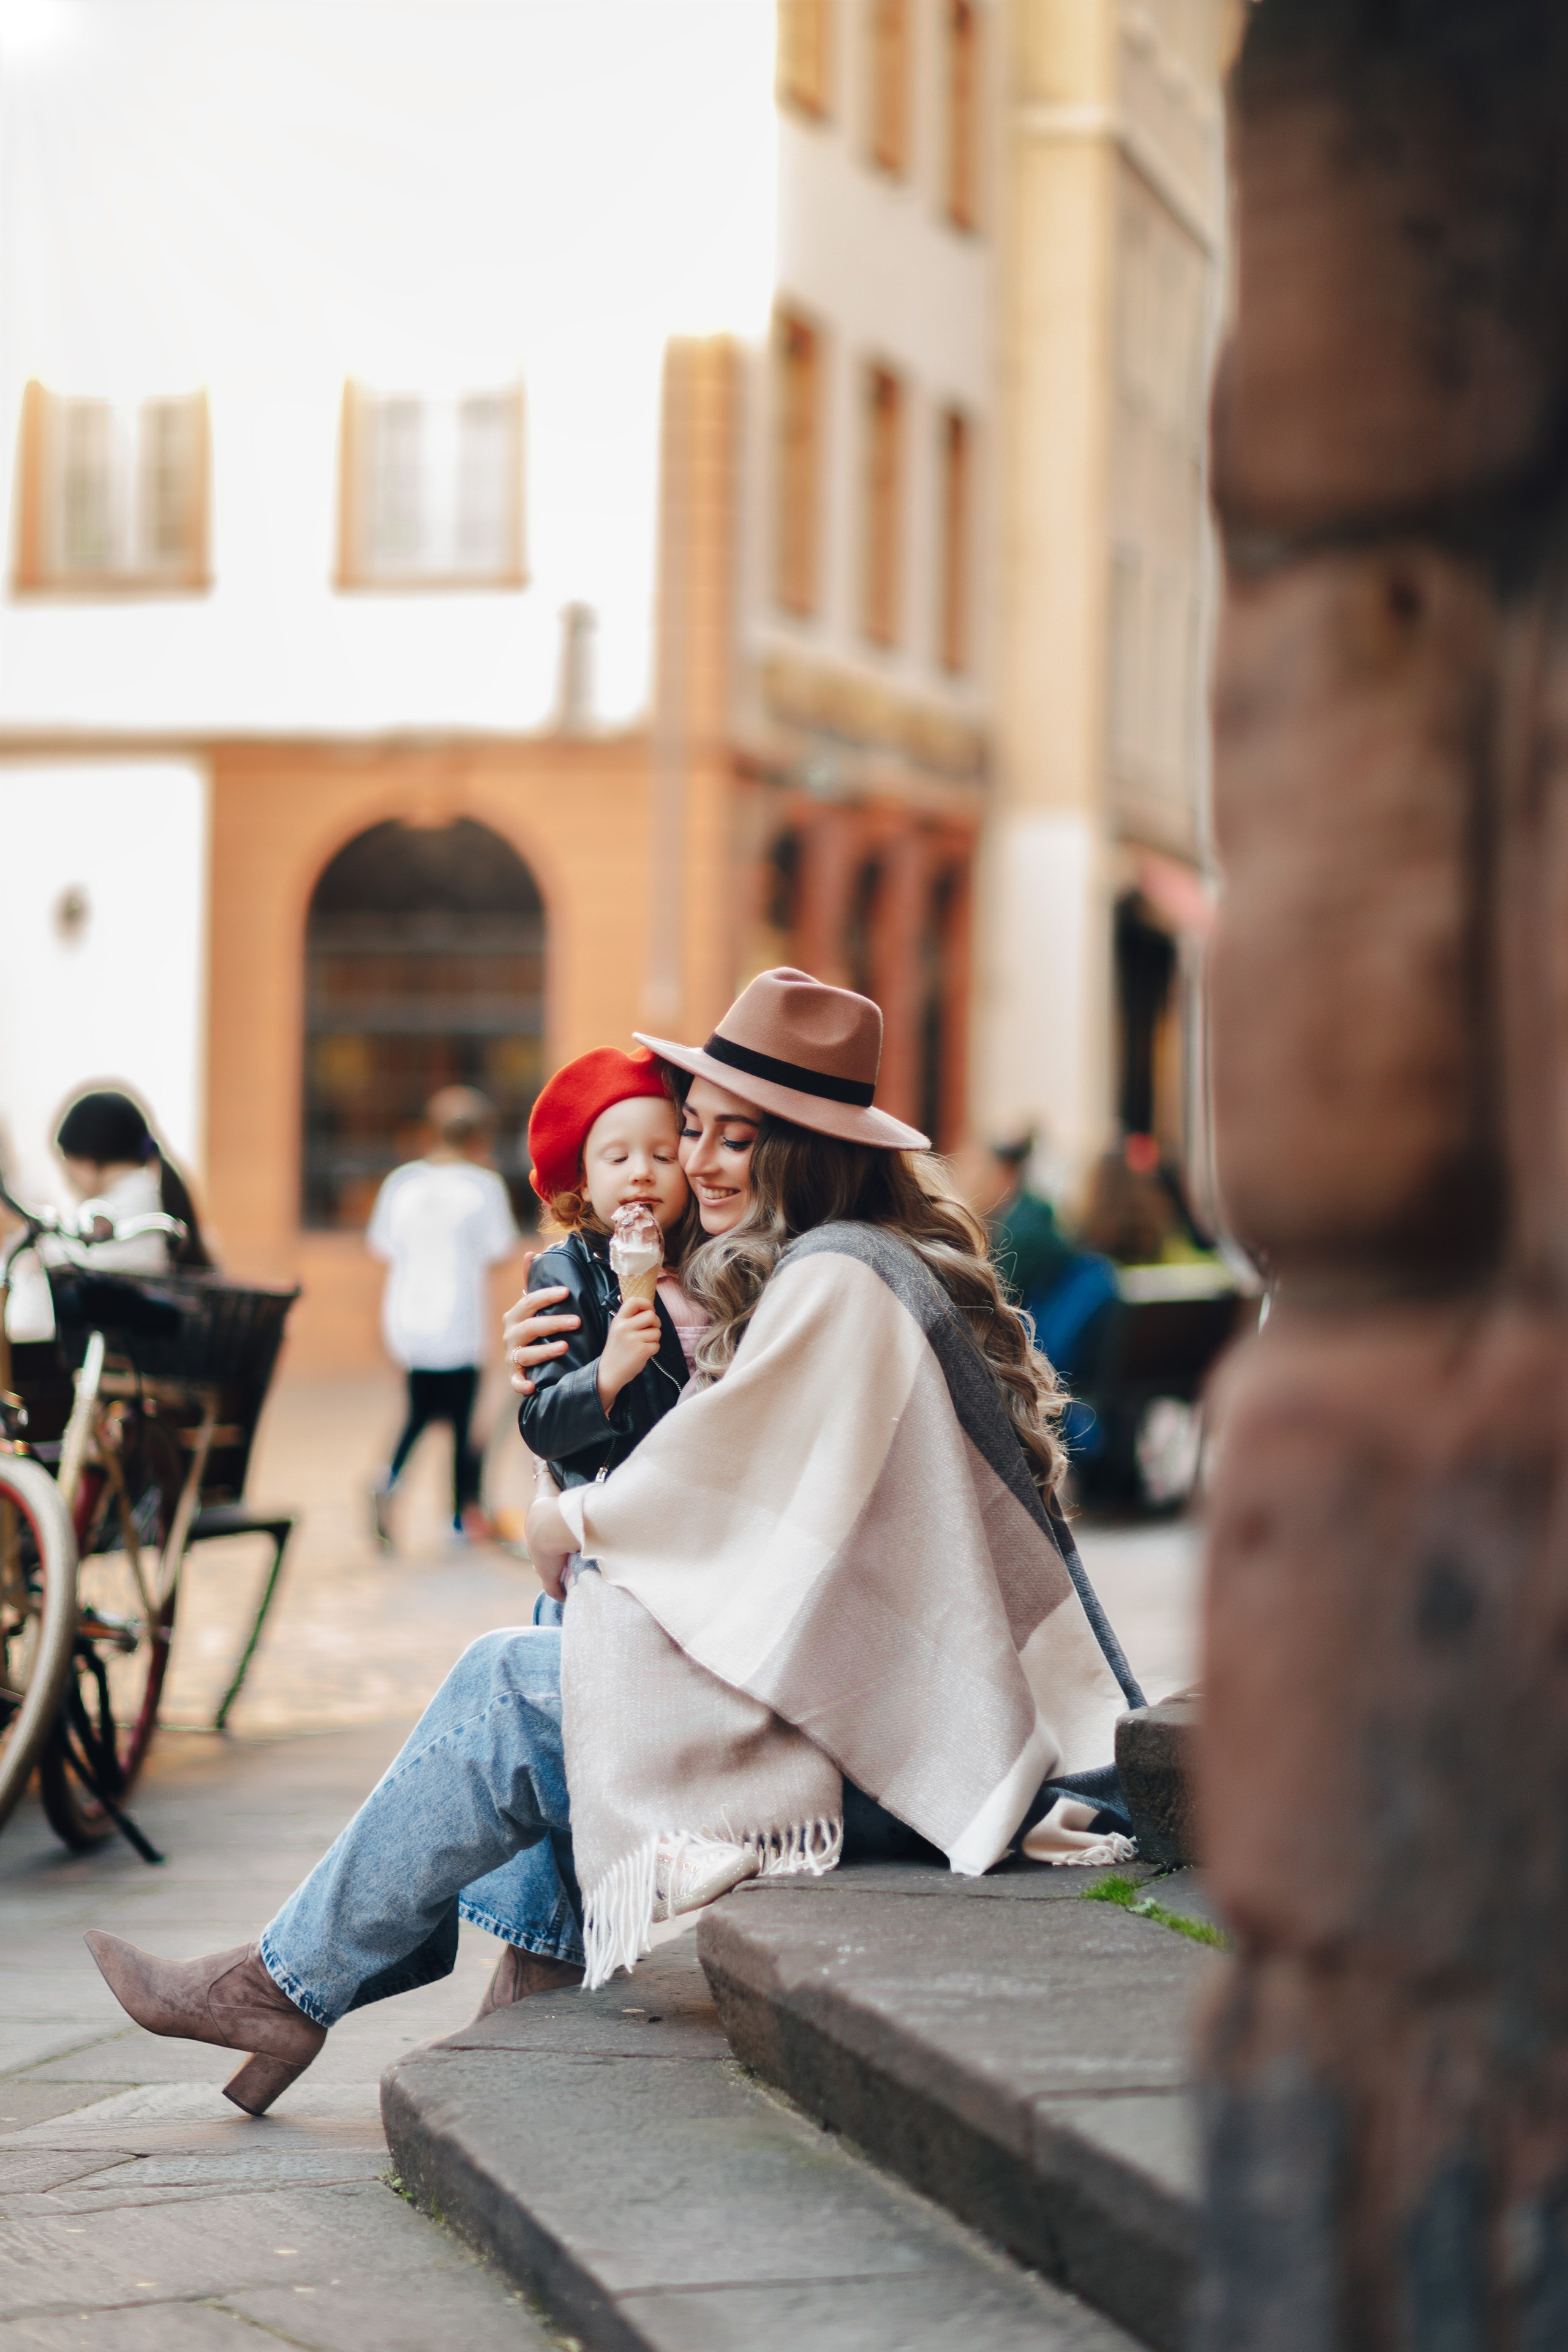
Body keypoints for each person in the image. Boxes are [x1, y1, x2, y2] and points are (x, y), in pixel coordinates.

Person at [82, 970, 1142, 2116]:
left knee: (517, 1679)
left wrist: (558, 1513)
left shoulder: (838, 1282)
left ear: (810, 1152)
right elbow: (730, 1488)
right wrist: (580, 1355)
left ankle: (289, 1987)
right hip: (908, 1724)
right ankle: (498, 1978)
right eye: (695, 1132)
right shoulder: (845, 1263)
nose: (703, 1164)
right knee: (578, 1631)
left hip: (927, 1761)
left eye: (743, 1140)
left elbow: (712, 1498)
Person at [516, 1046, 701, 1612]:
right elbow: (541, 1424)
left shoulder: (713, 1263)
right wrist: (607, 1374)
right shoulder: (564, 1271)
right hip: (607, 1532)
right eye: (617, 1158)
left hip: (694, 1522)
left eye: (663, 1155)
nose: (641, 1170)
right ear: (584, 1181)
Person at [368, 1085, 518, 1547]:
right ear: (480, 1137)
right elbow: (500, 1249)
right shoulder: (482, 1186)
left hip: (409, 1319)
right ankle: (456, 1517)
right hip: (459, 1319)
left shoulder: (403, 1183)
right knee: (461, 1419)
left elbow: (382, 1245)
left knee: (418, 1408)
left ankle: (388, 1477)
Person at [4, 1087, 212, 1341]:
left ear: (87, 1161)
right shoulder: (154, 1195)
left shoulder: (114, 1214)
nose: (67, 1177)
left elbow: (55, 1263)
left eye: (66, 1163)